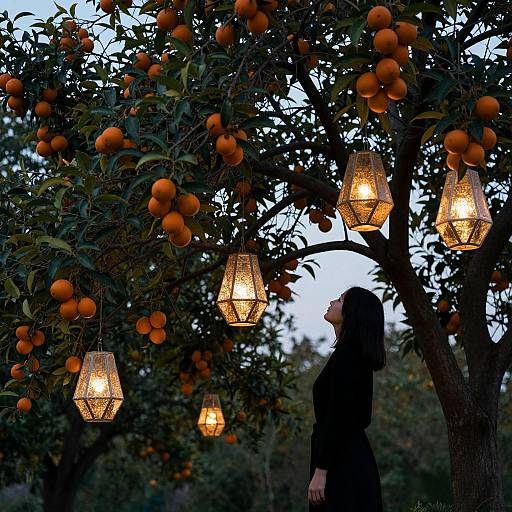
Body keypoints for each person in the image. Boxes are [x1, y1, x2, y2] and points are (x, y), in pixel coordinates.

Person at [308, 286, 386, 511]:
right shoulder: (352, 355)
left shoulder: (348, 356)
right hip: (346, 457)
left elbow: (339, 416)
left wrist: (321, 471)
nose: (332, 301)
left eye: (341, 300)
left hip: (341, 463)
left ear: (352, 313)